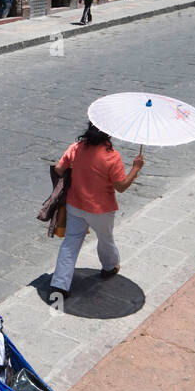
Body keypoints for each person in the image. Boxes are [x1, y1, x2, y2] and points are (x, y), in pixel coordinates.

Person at [48, 123, 144, 302]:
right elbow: (121, 186)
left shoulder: (76, 148)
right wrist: (136, 168)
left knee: (71, 243)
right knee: (105, 238)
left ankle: (59, 285)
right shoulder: (111, 156)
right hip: (101, 209)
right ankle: (109, 267)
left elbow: (59, 169)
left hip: (75, 205)